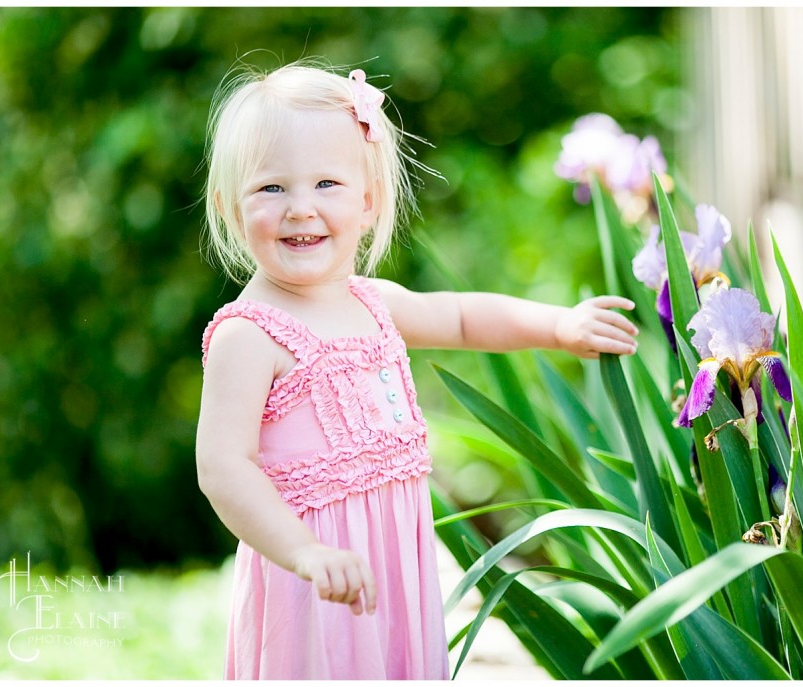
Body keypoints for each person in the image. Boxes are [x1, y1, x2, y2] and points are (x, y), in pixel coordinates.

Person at [196, 57, 639, 680]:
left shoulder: (373, 304)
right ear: (231, 206)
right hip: (314, 584)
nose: (300, 208)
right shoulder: (250, 334)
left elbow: (460, 318)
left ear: (370, 202)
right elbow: (222, 466)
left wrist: (558, 326)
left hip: (394, 567)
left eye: (327, 184)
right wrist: (305, 553)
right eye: (272, 188)